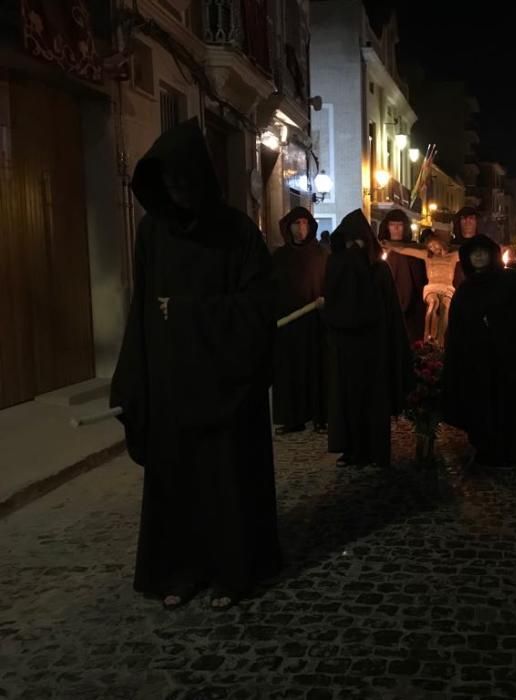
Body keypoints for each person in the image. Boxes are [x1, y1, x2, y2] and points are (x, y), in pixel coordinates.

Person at [110, 118, 281, 611]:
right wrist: (132, 380)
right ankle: (181, 571)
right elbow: (144, 309)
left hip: (226, 389)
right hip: (172, 386)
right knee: (178, 486)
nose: (179, 193)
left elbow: (259, 305)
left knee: (226, 484)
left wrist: (190, 313)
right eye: (170, 184)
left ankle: (232, 572)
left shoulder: (237, 233)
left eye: (186, 182)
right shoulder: (152, 234)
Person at [323, 209, 414, 468]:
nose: (354, 248)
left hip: (374, 349)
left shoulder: (379, 270)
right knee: (347, 403)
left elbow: (390, 313)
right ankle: (351, 449)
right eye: (350, 243)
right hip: (346, 348)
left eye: (359, 243)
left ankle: (375, 450)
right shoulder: (337, 266)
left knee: (373, 403)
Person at [443, 235, 516, 467]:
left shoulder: (511, 282)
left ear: (492, 255)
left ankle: (514, 448)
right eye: (473, 252)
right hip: (478, 363)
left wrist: (500, 327)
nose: (478, 256)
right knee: (482, 407)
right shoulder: (466, 289)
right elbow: (458, 327)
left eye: (483, 251)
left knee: (509, 408)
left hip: (508, 360)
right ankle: (484, 447)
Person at [271, 207, 328, 435]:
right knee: (289, 372)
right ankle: (292, 418)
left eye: (305, 223)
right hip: (288, 325)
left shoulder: (322, 255)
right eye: (296, 223)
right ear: (289, 227)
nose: (301, 228)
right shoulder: (279, 257)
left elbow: (330, 283)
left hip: (316, 323)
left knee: (316, 370)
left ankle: (320, 417)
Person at [382, 230, 460, 345]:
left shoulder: (453, 256)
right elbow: (405, 249)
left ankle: (441, 341)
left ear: (441, 242)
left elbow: (469, 250)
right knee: (433, 303)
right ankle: (428, 338)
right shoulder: (428, 256)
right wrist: (391, 245)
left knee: (445, 306)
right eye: (430, 247)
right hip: (432, 287)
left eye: (434, 245)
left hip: (447, 288)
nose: (433, 249)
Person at [378, 209, 428, 344]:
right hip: (386, 307)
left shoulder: (414, 250)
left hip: (411, 309)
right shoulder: (379, 249)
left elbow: (420, 278)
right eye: (392, 225)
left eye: (399, 225)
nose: (396, 229)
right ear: (387, 227)